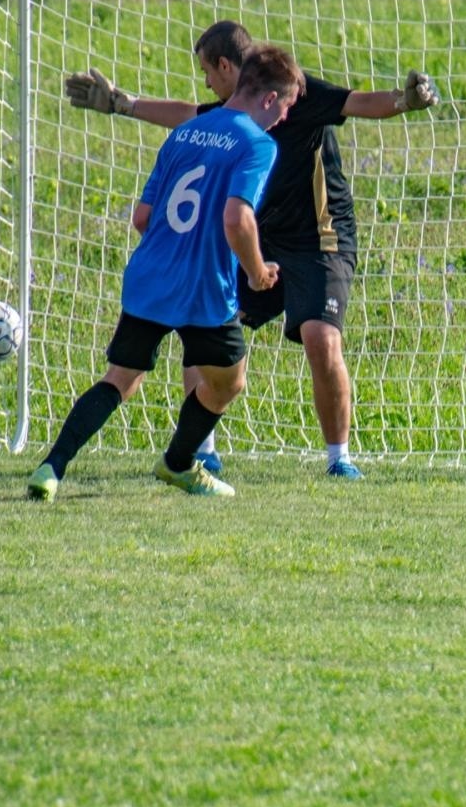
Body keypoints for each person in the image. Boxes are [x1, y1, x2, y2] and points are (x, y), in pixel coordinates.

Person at [64, 21, 438, 479]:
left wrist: (405, 101)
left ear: (227, 66)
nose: (206, 83)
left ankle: (338, 458)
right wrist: (123, 104)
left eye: (207, 71)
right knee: (205, 321)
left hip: (319, 238)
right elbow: (190, 115)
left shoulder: (293, 90)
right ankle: (199, 450)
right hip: (257, 238)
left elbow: (358, 102)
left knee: (320, 338)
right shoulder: (237, 105)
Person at [27, 44, 304, 501]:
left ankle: (50, 468)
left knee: (120, 379)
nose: (285, 118)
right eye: (287, 106)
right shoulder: (257, 144)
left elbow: (142, 217)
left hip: (150, 277)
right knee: (229, 382)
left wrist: (172, 248)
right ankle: (178, 463)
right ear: (270, 98)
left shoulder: (185, 132)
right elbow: (237, 220)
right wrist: (256, 272)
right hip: (204, 289)